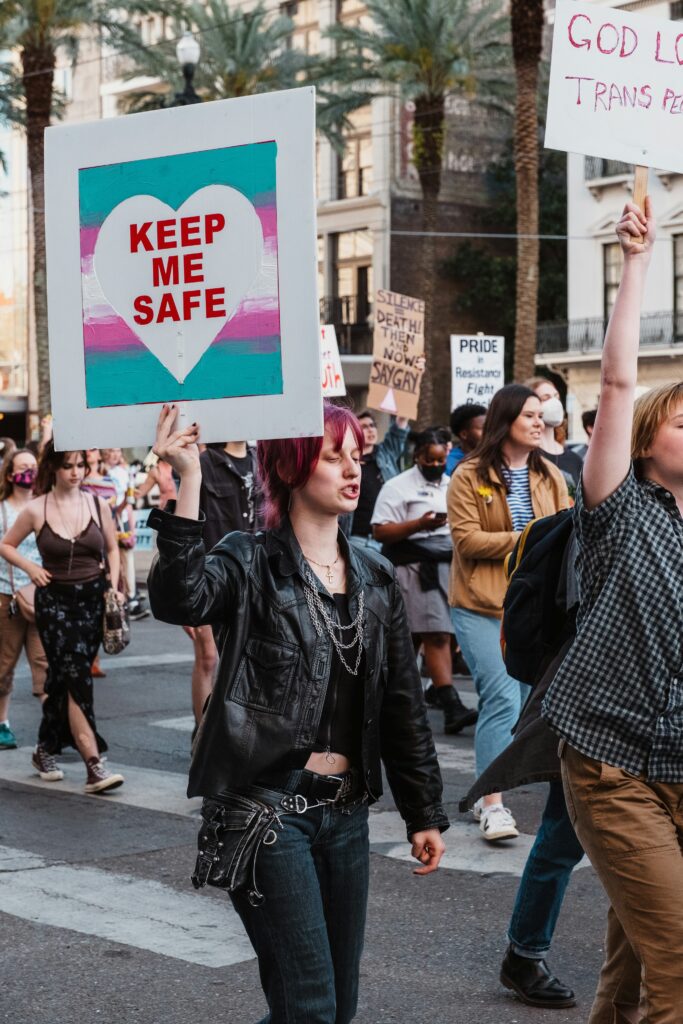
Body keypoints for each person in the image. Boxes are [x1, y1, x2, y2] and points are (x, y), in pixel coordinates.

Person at [147, 401, 448, 1024]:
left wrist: (423, 812)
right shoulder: (248, 559)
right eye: (331, 457)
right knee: (308, 1004)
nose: (351, 470)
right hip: (265, 811)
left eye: (356, 457)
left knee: (334, 1009)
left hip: (346, 815)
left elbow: (401, 705)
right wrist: (190, 479)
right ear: (291, 468)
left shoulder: (373, 574)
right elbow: (179, 597)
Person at [543, 198, 683, 1021]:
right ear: (642, 441)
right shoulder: (618, 506)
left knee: (633, 959)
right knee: (678, 956)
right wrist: (637, 261)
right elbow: (621, 379)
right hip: (612, 760)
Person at [448, 385, 569, 841]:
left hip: (531, 611)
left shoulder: (550, 475)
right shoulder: (468, 475)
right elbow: (468, 541)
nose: (541, 422)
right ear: (506, 421)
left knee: (523, 703)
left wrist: (535, 539)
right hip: (480, 605)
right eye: (531, 415)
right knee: (500, 698)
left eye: (542, 415)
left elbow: (568, 531)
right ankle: (491, 802)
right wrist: (530, 539)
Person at [0, 442, 125, 793]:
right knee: (75, 677)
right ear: (52, 468)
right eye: (68, 465)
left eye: (80, 465)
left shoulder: (98, 505)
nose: (75, 472)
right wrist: (31, 568)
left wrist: (113, 586)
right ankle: (93, 763)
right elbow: (5, 544)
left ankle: (44, 749)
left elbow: (113, 549)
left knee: (61, 680)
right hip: (54, 602)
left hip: (92, 601)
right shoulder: (36, 509)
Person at [371, 429, 477, 735]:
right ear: (417, 456)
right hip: (415, 568)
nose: (436, 464)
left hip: (450, 567)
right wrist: (420, 523)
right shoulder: (397, 486)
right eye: (429, 459)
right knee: (436, 635)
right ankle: (451, 704)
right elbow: (380, 531)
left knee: (410, 642)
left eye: (441, 459)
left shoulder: (452, 484)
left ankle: (391, 703)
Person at [186, 440, 261, 727]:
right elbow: (187, 521)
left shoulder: (261, 461)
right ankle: (203, 734)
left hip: (255, 575)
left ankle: (236, 733)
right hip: (212, 576)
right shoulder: (205, 463)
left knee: (249, 660)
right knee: (208, 657)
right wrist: (188, 587)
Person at [0, 448, 48, 750]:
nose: (29, 472)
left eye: (33, 466)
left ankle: (54, 728)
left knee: (43, 664)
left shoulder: (45, 506)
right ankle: (2, 723)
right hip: (6, 596)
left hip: (41, 596)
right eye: (23, 467)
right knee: (4, 666)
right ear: (9, 474)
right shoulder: (2, 509)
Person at [102, 447, 148, 620]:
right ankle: (121, 596)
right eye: (111, 451)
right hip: (108, 518)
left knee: (126, 557)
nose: (114, 454)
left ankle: (130, 597)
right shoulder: (101, 472)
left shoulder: (122, 471)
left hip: (123, 518)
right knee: (112, 559)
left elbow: (128, 497)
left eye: (117, 451)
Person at [350, 412, 410, 546]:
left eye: (372, 425)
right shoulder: (348, 461)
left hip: (391, 535)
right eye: (364, 427)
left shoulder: (385, 453)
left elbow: (398, 432)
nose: (370, 429)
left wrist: (404, 411)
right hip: (359, 539)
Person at [525, 378, 583, 491]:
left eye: (556, 397)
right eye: (546, 398)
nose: (555, 402)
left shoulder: (575, 459)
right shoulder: (525, 456)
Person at [446, 403, 487, 475]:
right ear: (464, 434)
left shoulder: (494, 458)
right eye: (483, 428)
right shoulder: (449, 464)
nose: (488, 432)